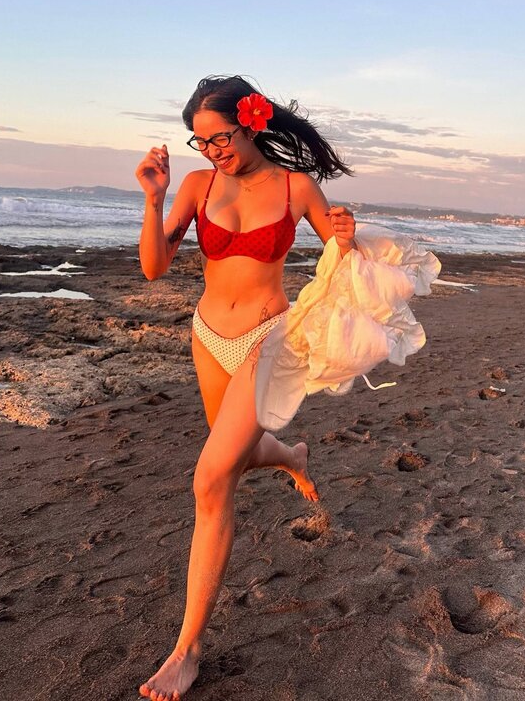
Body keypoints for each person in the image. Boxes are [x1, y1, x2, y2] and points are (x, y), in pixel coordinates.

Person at [134, 75, 437, 700]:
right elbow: (154, 267)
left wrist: (345, 233)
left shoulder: (297, 186)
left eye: (220, 137)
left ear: (251, 122)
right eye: (200, 141)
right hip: (206, 336)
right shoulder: (196, 185)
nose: (211, 150)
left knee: (211, 480)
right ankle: (290, 456)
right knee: (237, 453)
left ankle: (186, 651)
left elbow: (343, 260)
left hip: (267, 341)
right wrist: (154, 197)